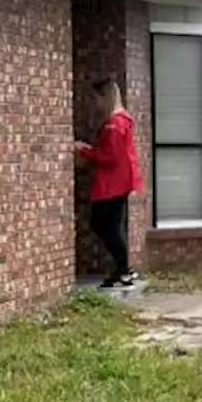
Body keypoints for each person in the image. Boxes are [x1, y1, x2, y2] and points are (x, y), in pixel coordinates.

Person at [75, 78, 143, 288]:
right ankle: (123, 270)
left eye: (96, 98)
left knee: (104, 225)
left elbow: (109, 157)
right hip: (122, 181)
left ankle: (124, 270)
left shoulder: (113, 124)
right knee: (111, 227)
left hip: (112, 183)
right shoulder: (122, 121)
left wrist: (84, 149)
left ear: (105, 98)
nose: (94, 103)